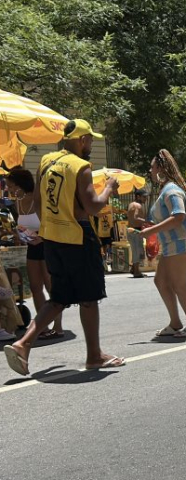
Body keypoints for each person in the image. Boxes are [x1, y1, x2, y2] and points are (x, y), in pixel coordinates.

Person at [4, 119, 123, 375]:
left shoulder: (46, 161)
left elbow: (36, 204)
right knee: (89, 298)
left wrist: (47, 230)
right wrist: (109, 189)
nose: (91, 143)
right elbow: (92, 206)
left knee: (58, 298)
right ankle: (94, 356)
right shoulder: (81, 167)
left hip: (52, 240)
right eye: (90, 139)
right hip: (78, 238)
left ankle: (22, 344)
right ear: (81, 140)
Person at [134, 149, 186, 339]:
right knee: (161, 281)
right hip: (172, 243)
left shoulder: (171, 190)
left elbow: (178, 216)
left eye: (152, 166)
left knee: (178, 284)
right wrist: (151, 228)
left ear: (161, 168)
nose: (150, 170)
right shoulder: (166, 189)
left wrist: (151, 231)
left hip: (181, 242)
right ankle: (175, 323)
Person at [5, 167, 64, 341]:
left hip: (46, 246)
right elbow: (23, 226)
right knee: (35, 287)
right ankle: (43, 326)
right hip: (32, 246)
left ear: (19, 185)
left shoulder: (37, 200)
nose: (8, 189)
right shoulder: (17, 203)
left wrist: (41, 237)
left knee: (51, 286)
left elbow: (50, 225)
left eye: (10, 186)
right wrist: (20, 234)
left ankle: (58, 326)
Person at [127, 189, 150, 278]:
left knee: (138, 250)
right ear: (138, 196)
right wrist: (147, 221)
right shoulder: (136, 205)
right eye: (144, 197)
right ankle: (136, 272)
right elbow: (135, 217)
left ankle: (134, 269)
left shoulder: (132, 204)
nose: (146, 199)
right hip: (134, 230)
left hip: (134, 230)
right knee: (137, 251)